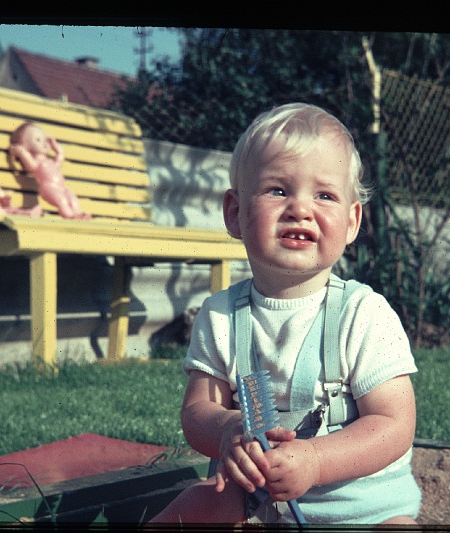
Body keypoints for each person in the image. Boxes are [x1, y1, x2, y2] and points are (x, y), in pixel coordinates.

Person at [149, 103, 421, 525]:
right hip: (256, 504)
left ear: (352, 222)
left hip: (364, 511)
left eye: (324, 195)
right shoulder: (221, 316)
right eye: (277, 190)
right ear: (235, 213)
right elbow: (198, 411)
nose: (300, 209)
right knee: (194, 506)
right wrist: (227, 430)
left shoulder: (364, 314)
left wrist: (315, 460)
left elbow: (394, 423)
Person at [8, 122, 91, 219]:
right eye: (38, 140)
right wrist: (21, 152)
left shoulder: (51, 162)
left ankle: (78, 214)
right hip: (48, 187)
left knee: (73, 198)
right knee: (61, 200)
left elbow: (59, 159)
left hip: (62, 187)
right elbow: (30, 164)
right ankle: (70, 216)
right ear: (26, 146)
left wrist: (58, 150)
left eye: (44, 140)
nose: (44, 143)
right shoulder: (36, 163)